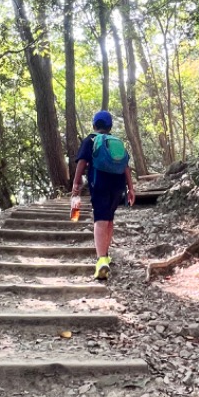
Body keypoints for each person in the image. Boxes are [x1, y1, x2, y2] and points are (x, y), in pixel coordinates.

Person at [71, 110, 135, 280]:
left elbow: (82, 163)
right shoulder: (116, 142)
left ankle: (101, 261)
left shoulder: (90, 140)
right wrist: (131, 189)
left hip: (99, 183)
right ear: (110, 126)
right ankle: (105, 255)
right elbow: (126, 166)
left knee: (100, 219)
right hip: (118, 185)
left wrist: (76, 186)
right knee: (109, 219)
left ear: (94, 125)